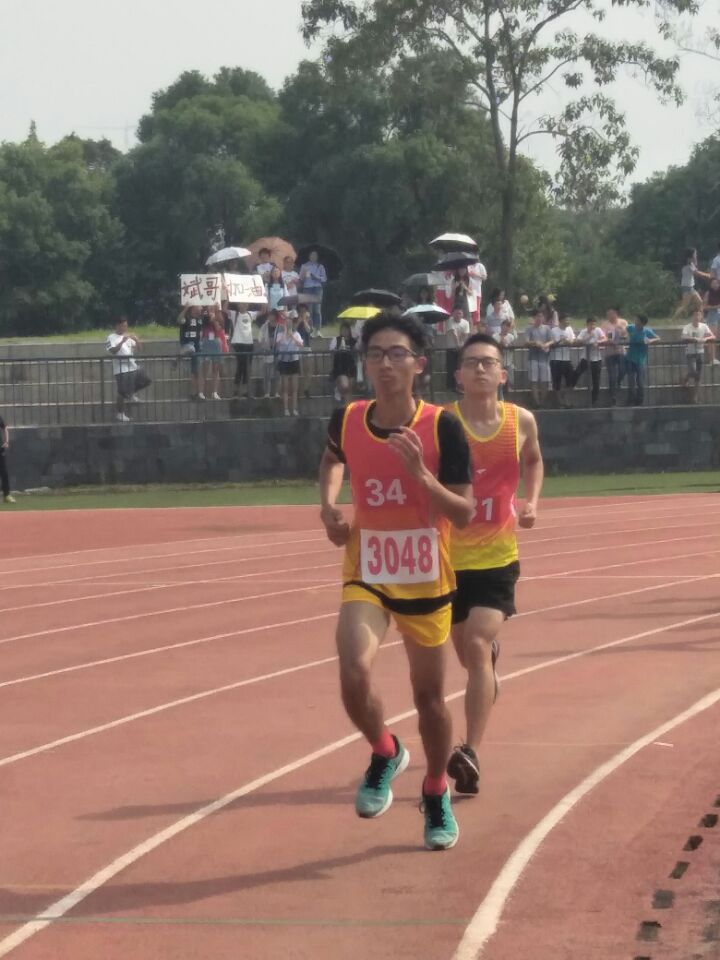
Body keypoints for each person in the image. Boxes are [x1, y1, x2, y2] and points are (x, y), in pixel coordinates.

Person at [319, 311, 474, 850]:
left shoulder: (442, 427)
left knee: (430, 701)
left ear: (419, 365)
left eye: (397, 354)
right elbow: (332, 459)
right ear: (365, 363)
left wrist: (422, 477)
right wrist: (329, 505)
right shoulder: (347, 419)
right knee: (353, 668)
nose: (385, 364)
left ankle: (435, 788)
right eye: (375, 354)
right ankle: (385, 751)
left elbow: (465, 513)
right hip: (368, 569)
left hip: (426, 577)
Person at [446, 333, 543, 795]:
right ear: (458, 376)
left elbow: (534, 461)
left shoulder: (520, 420)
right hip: (448, 559)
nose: (481, 369)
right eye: (472, 363)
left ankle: (470, 751)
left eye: (489, 362)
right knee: (468, 656)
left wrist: (531, 501)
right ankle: (485, 671)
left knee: (478, 642)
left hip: (497, 556)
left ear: (503, 374)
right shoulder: (443, 423)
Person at [106, 317, 151, 422]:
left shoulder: (128, 337)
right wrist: (122, 341)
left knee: (146, 380)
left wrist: (137, 340)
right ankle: (120, 413)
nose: (125, 328)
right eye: (123, 326)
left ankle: (131, 394)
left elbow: (140, 349)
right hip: (121, 368)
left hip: (132, 366)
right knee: (122, 392)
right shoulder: (111, 337)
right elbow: (112, 351)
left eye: (126, 325)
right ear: (117, 326)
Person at [681, 308, 715, 403]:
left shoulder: (704, 326)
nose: (697, 317)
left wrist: (706, 339)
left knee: (698, 376)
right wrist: (694, 339)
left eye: (698, 315)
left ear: (701, 316)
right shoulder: (687, 327)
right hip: (690, 352)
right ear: (692, 316)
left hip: (700, 352)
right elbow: (683, 337)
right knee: (693, 371)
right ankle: (685, 379)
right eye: (695, 315)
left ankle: (695, 397)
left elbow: (713, 336)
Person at [626, 315, 660, 406]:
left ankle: (640, 400)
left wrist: (650, 341)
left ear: (642, 323)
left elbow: (658, 338)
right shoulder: (631, 328)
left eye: (637, 321)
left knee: (640, 381)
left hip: (641, 359)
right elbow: (624, 329)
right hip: (630, 358)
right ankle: (631, 400)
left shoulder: (647, 331)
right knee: (631, 381)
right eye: (635, 320)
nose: (635, 322)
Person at [574, 317, 606, 405]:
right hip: (585, 358)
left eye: (594, 324)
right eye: (591, 324)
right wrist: (588, 337)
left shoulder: (598, 330)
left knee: (596, 380)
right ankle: (570, 386)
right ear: (587, 324)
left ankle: (594, 400)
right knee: (577, 372)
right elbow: (578, 341)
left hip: (596, 359)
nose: (593, 326)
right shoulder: (583, 331)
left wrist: (598, 342)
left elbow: (604, 338)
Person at [276, 317, 304, 416]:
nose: (288, 325)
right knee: (285, 387)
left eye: (289, 323)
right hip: (284, 361)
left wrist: (292, 336)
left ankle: (295, 408)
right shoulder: (280, 334)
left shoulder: (296, 334)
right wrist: (285, 333)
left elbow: (301, 345)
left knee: (294, 387)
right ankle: (286, 409)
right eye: (286, 323)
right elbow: (277, 344)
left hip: (294, 361)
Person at [525, 308, 552, 407]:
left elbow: (552, 340)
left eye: (541, 316)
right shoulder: (529, 329)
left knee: (545, 381)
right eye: (537, 316)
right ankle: (537, 403)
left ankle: (543, 402)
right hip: (533, 358)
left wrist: (546, 344)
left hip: (544, 358)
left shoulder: (547, 328)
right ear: (534, 317)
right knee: (534, 381)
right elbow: (526, 342)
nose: (539, 318)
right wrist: (535, 342)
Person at [673, 248, 710, 319]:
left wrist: (695, 260)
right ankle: (672, 319)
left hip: (690, 287)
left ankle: (701, 318)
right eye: (695, 254)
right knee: (684, 305)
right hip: (688, 288)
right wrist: (708, 275)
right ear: (691, 255)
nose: (696, 255)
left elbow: (696, 268)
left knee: (700, 303)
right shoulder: (689, 265)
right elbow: (696, 273)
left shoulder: (689, 264)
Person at [199, 306, 227, 400]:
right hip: (206, 341)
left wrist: (216, 315)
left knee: (216, 368)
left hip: (216, 341)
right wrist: (211, 317)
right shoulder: (203, 312)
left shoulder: (218, 314)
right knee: (205, 368)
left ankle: (214, 392)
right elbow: (205, 322)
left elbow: (219, 327)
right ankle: (201, 392)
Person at [229, 303, 255, 399]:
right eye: (241, 303)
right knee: (240, 367)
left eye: (245, 303)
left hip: (249, 343)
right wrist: (227, 298)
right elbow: (224, 309)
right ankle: (236, 391)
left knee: (247, 368)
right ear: (238, 305)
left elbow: (263, 311)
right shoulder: (234, 314)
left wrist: (263, 297)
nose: (244, 305)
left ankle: (245, 391)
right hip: (239, 343)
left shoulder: (251, 314)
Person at [549, 312, 575, 407]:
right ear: (561, 320)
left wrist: (566, 341)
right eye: (566, 320)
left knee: (571, 381)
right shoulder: (553, 330)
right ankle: (560, 402)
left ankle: (566, 398)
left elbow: (573, 341)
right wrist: (559, 341)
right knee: (557, 382)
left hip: (566, 359)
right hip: (556, 359)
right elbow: (551, 344)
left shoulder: (569, 329)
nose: (568, 321)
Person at [604, 306, 629, 404]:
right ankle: (612, 396)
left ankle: (618, 381)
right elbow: (604, 336)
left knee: (623, 369)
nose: (609, 316)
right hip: (609, 353)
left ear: (616, 314)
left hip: (620, 351)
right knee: (612, 375)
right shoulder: (605, 324)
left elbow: (626, 335)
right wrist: (610, 341)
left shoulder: (623, 322)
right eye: (608, 314)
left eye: (611, 313)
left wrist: (621, 331)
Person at [177, 304, 202, 399]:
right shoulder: (186, 318)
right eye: (198, 307)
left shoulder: (200, 319)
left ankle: (196, 393)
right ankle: (179, 356)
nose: (200, 308)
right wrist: (186, 308)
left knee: (196, 372)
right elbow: (179, 319)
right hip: (187, 346)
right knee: (190, 349)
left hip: (197, 348)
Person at [299, 250, 328, 330]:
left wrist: (316, 277)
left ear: (317, 257)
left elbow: (324, 279)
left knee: (317, 309)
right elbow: (300, 279)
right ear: (309, 256)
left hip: (317, 288)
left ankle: (318, 329)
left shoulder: (320, 266)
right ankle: (310, 328)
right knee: (309, 309)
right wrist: (304, 275)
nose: (313, 257)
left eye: (315, 256)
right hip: (307, 288)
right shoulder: (304, 266)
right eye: (312, 255)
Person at [330, 321, 357, 403]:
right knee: (345, 386)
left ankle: (348, 407)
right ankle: (338, 388)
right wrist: (338, 350)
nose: (344, 331)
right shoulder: (336, 340)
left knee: (349, 390)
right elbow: (331, 352)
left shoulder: (354, 341)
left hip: (351, 367)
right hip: (340, 367)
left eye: (346, 329)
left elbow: (357, 352)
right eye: (343, 330)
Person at [445, 307, 470, 391]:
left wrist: (461, 345)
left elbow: (465, 335)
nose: (458, 315)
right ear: (453, 313)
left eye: (460, 313)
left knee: (460, 368)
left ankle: (460, 386)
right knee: (451, 368)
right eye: (456, 313)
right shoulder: (450, 321)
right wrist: (458, 344)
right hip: (451, 348)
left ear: (462, 314)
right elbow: (454, 333)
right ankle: (450, 387)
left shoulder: (466, 323)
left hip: (462, 349)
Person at [259, 309, 282, 399]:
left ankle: (276, 392)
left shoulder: (280, 327)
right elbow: (260, 337)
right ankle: (267, 393)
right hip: (267, 352)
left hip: (277, 352)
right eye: (269, 315)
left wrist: (276, 343)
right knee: (266, 374)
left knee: (277, 374)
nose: (269, 317)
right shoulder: (264, 326)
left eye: (271, 315)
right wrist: (264, 344)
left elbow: (282, 338)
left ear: (275, 316)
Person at [294, 306, 314, 398]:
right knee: (298, 370)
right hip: (297, 347)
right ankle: (298, 391)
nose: (302, 313)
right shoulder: (295, 319)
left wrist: (305, 321)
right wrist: (298, 321)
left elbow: (309, 330)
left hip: (306, 346)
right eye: (301, 311)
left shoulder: (309, 320)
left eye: (304, 311)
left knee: (308, 370)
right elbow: (293, 330)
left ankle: (306, 389)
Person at [494, 318, 517, 397]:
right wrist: (501, 342)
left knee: (510, 382)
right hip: (499, 363)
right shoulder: (495, 336)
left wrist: (507, 344)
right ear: (501, 326)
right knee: (500, 383)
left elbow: (513, 348)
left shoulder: (511, 337)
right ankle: (501, 399)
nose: (506, 328)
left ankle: (509, 398)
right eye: (504, 326)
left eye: (508, 326)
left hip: (508, 362)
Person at [702, 277, 720, 365]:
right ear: (710, 284)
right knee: (712, 337)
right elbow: (704, 307)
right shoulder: (708, 293)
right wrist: (715, 307)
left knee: (717, 337)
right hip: (712, 315)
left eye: (717, 283)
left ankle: (714, 357)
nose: (715, 285)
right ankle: (712, 358)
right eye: (713, 283)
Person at [0, 415, 16, 504]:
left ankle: (6, 495)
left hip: (0, 449)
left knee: (4, 473)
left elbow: (5, 427)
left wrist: (6, 441)